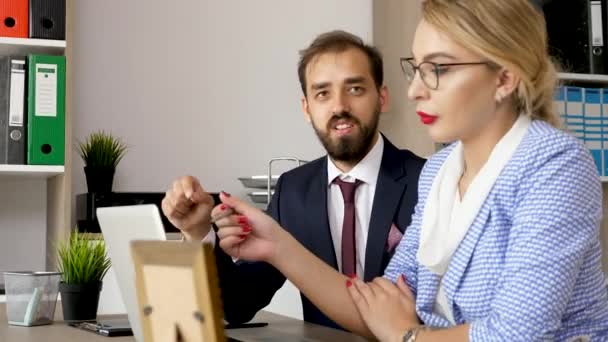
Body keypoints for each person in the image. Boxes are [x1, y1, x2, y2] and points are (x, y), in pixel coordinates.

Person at [209, 0, 608, 341]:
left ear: (504, 77)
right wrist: (277, 246)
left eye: (438, 68)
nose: (415, 89)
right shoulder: (440, 171)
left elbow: (517, 333)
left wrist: (409, 334)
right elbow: (375, 305)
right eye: (415, 68)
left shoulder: (556, 166)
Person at [161, 30, 425, 328]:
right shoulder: (293, 191)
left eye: (355, 89)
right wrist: (199, 233)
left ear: (382, 97)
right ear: (306, 108)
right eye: (322, 93)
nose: (339, 107)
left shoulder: (427, 181)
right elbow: (237, 305)